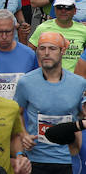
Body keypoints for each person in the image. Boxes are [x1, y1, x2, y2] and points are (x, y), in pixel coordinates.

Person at [15, 31, 86, 174]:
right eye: (42, 48)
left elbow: (82, 116)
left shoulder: (79, 83)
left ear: (63, 51)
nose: (46, 53)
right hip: (36, 159)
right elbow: (17, 113)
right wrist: (24, 135)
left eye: (52, 48)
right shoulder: (25, 82)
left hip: (68, 160)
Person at [29, 0, 86, 72]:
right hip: (48, 77)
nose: (63, 11)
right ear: (54, 10)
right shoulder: (43, 28)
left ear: (75, 10)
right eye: (59, 7)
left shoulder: (83, 30)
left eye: (68, 8)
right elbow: (29, 52)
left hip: (75, 79)